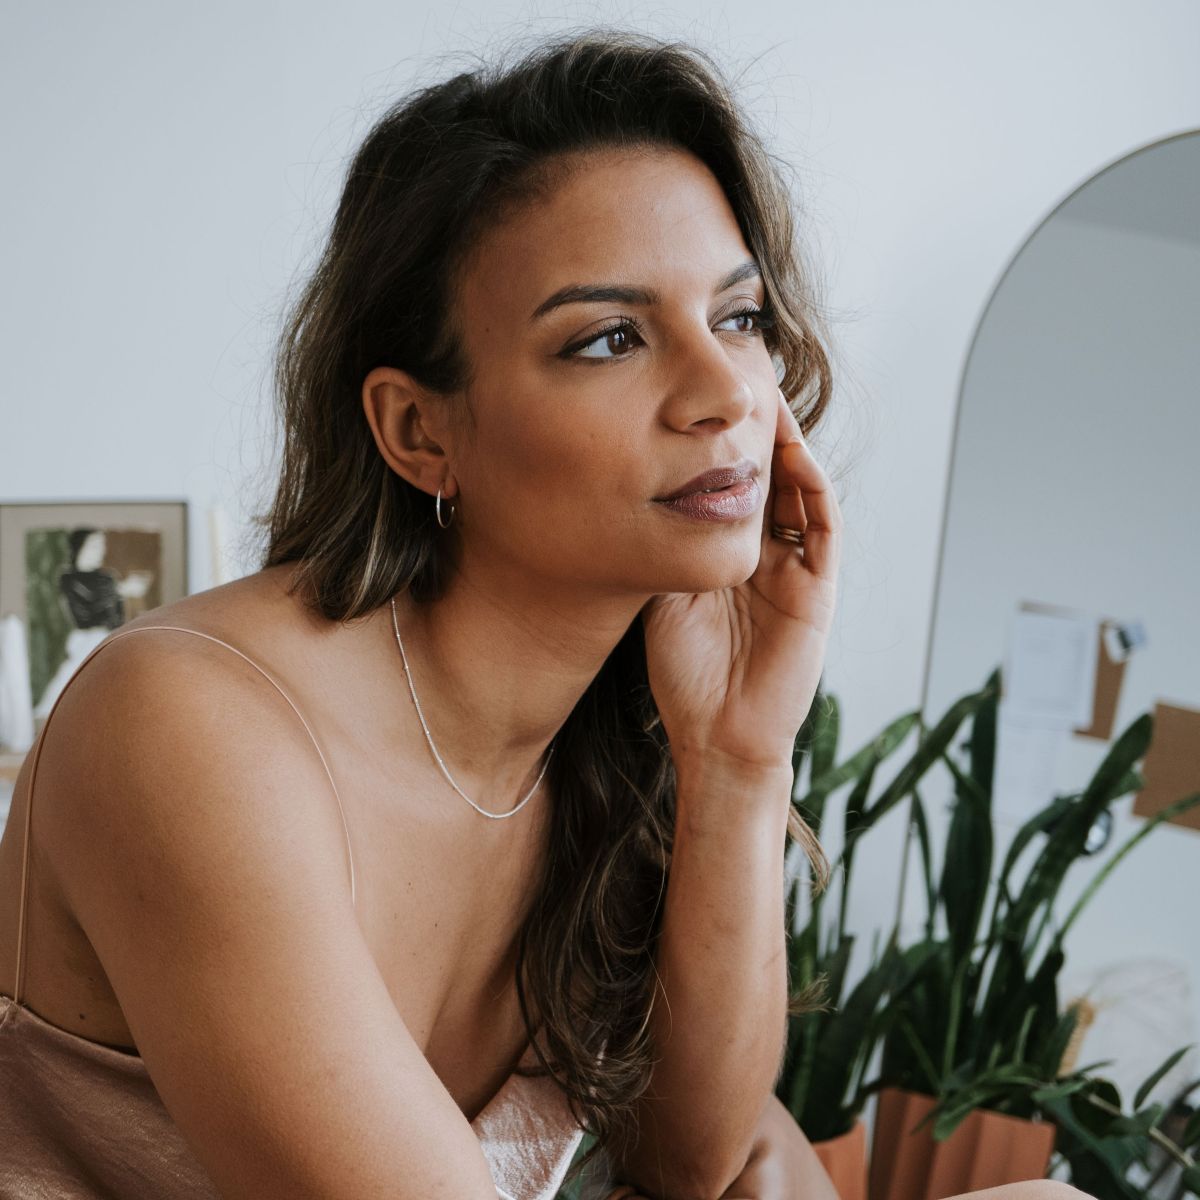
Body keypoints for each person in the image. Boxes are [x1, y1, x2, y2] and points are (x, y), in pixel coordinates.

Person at [0, 28, 1089, 1200]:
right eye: (610, 338)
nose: (727, 391)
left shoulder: (604, 739)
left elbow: (693, 1156)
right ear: (422, 432)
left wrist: (737, 756)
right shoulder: (194, 727)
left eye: (738, 317)